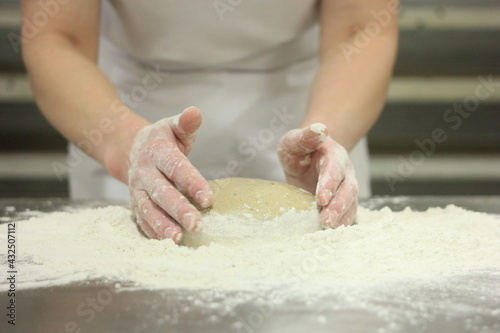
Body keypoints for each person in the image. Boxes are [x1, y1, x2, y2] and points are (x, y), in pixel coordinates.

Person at [21, 0, 399, 242]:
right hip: (125, 113)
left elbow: (362, 29)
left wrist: (323, 135)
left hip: (304, 104)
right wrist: (125, 143)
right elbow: (56, 36)